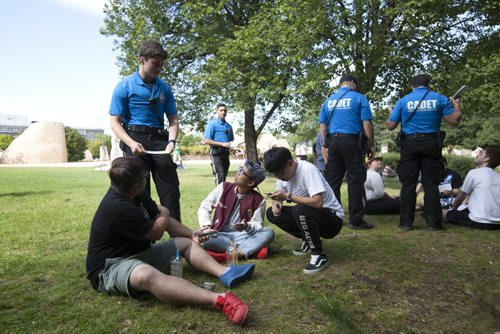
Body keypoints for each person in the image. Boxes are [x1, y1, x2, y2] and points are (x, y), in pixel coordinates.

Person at [85, 157, 255, 325]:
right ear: (137, 184)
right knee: (146, 274)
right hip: (109, 267)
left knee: (185, 243)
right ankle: (219, 300)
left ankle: (225, 272)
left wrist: (191, 234)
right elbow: (156, 232)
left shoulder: (134, 193)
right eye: (145, 175)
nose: (147, 177)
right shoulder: (119, 207)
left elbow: (159, 219)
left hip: (138, 254)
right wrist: (165, 211)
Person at [109, 39, 182, 222]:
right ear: (142, 60)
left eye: (161, 65)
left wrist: (172, 142)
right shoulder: (124, 86)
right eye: (155, 64)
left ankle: (179, 244)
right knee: (138, 192)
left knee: (171, 191)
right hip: (134, 138)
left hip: (159, 141)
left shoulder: (164, 88)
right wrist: (131, 143)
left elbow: (173, 120)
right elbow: (115, 122)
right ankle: (144, 242)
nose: (159, 69)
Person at [386, 73, 461, 231]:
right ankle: (434, 223)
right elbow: (454, 120)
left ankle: (405, 222)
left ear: (412, 86)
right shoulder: (440, 99)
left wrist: (391, 113)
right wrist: (456, 105)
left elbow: (391, 125)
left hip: (409, 144)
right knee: (431, 184)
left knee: (408, 184)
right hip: (431, 144)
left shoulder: (403, 100)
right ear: (428, 84)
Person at [263, 147, 344, 274]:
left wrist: (288, 197)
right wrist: (276, 203)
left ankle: (318, 255)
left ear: (290, 163)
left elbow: (318, 202)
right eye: (275, 175)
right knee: (271, 214)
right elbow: (280, 195)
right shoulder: (282, 175)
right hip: (309, 214)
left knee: (301, 210)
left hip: (332, 220)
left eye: (280, 174)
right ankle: (308, 240)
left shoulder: (307, 170)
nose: (280, 178)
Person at [318, 74, 375, 229]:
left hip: (334, 142)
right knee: (355, 180)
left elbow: (323, 126)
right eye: (355, 84)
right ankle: (356, 220)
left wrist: (327, 144)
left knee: (333, 181)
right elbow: (367, 123)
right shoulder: (359, 98)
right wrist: (370, 145)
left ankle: (333, 216)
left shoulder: (328, 101)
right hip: (352, 142)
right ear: (351, 83)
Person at [197, 161, 275, 262]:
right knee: (204, 239)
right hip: (219, 234)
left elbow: (257, 224)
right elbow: (204, 206)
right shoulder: (223, 187)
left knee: (269, 233)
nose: (238, 172)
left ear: (250, 183)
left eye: (242, 171)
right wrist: (206, 226)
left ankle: (231, 253)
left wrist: (246, 226)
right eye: (239, 168)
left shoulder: (259, 200)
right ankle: (249, 250)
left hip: (243, 236)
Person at [445, 147, 500, 230]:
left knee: (441, 212)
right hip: (497, 223)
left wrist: (454, 210)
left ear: (486, 159)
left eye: (481, 153)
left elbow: (461, 196)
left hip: (480, 221)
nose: (477, 154)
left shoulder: (474, 173)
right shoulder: (498, 176)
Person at [204, 103, 234, 185]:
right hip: (215, 152)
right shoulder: (212, 124)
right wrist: (222, 144)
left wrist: (230, 145)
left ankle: (222, 195)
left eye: (225, 110)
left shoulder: (229, 126)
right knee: (219, 175)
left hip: (225, 153)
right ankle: (219, 196)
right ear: (217, 111)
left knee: (224, 175)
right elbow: (206, 140)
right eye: (221, 110)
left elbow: (230, 140)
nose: (223, 112)